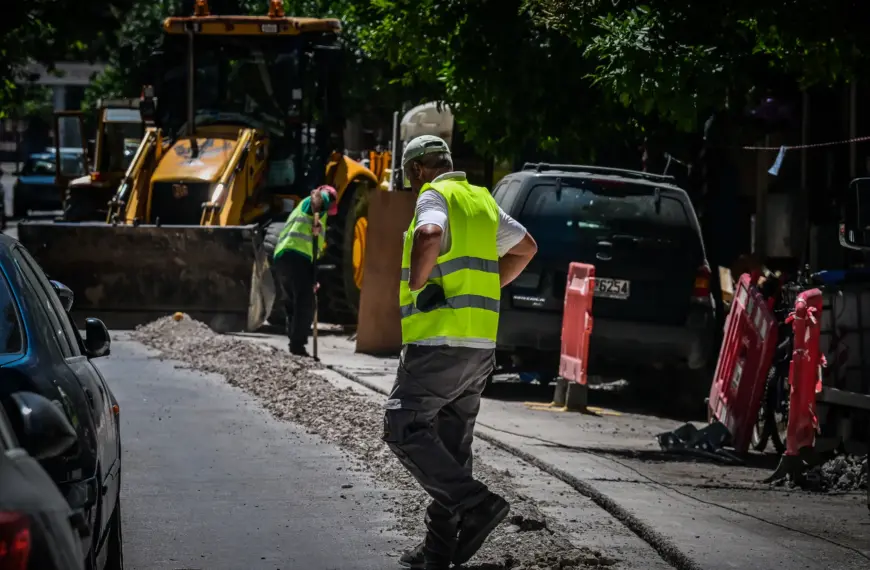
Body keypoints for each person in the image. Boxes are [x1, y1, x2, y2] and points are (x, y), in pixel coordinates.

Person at [383, 135, 538, 569]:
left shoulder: (434, 195)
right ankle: (439, 551)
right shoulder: (481, 201)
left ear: (416, 170)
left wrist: (419, 280)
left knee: (402, 425)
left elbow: (429, 234)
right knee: (451, 447)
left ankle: (478, 504)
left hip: (438, 343)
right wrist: (484, 286)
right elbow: (526, 247)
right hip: (479, 345)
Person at [272, 184, 338, 357]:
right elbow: (318, 195)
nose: (328, 210)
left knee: (292, 302)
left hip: (284, 257)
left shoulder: (311, 213)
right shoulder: (316, 202)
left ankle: (294, 343)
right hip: (296, 256)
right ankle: (297, 345)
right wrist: (321, 203)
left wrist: (312, 275)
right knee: (305, 303)